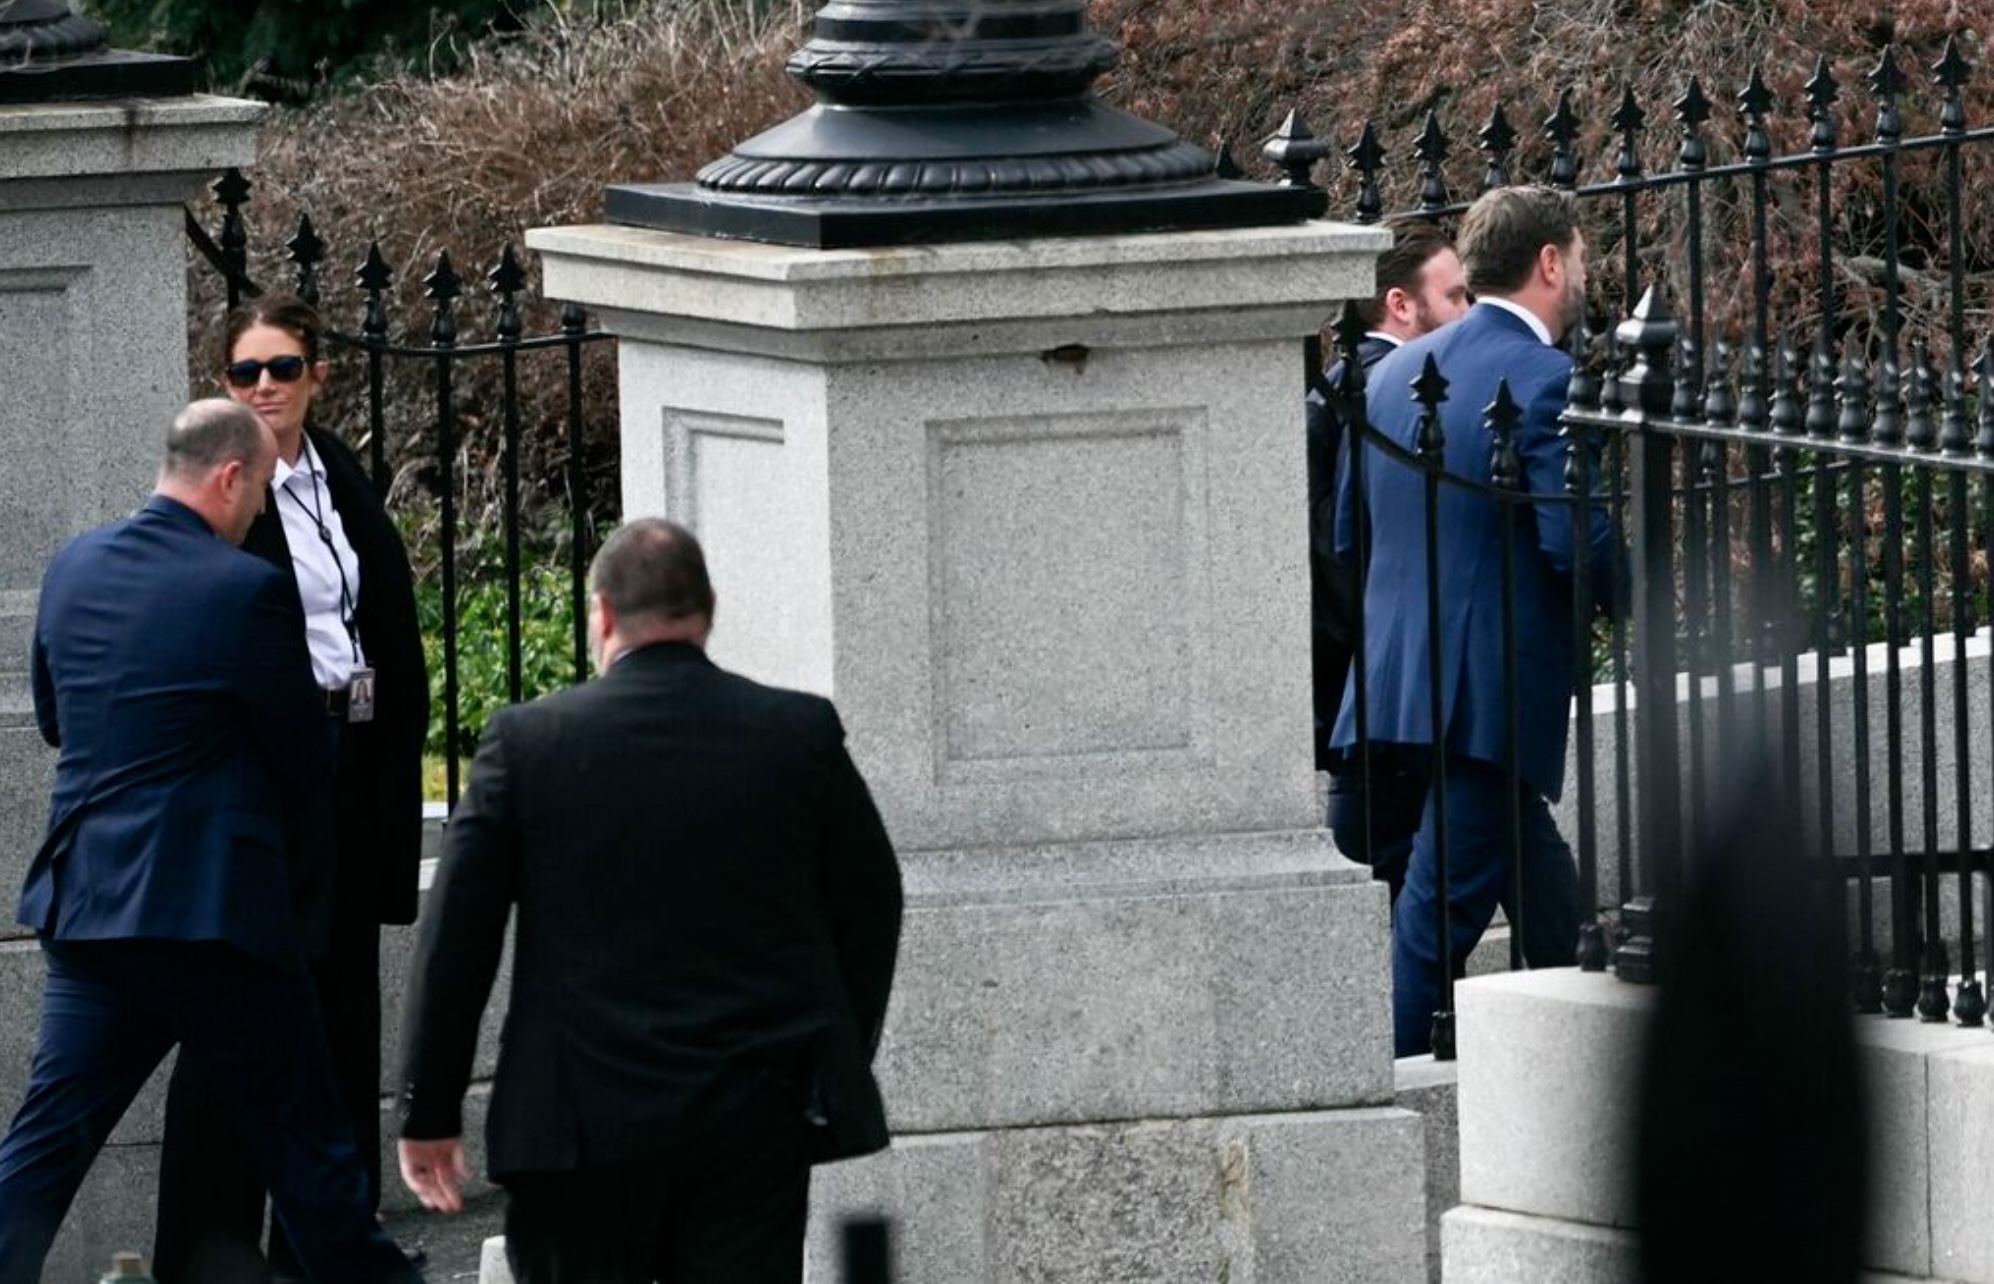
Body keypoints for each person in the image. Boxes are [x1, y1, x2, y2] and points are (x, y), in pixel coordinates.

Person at [396, 518, 903, 1284]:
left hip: (576, 1126)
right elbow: (872, 903)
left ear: (601, 614)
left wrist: (429, 1110)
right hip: (750, 1116)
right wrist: (825, 1057)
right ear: (708, 609)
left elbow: (456, 939)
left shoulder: (528, 744)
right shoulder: (794, 735)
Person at [0, 400, 421, 1284]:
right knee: (312, 1154)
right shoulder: (246, 590)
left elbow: (54, 719)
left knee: (43, 1149)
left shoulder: (74, 566)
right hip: (214, 917)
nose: (261, 508)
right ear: (229, 477)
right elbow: (303, 757)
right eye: (261, 489)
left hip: (89, 907)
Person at [155, 294, 428, 1281]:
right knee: (241, 1013)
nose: (264, 387)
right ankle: (210, 1253)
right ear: (223, 385)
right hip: (266, 775)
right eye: (245, 372)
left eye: (282, 368)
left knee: (342, 1013)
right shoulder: (222, 486)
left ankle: (331, 1251)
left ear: (317, 374)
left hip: (348, 766)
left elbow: (381, 611)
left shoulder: (334, 469)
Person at [1332, 186, 1623, 1057]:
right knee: (1442, 901)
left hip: (1398, 672)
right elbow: (1574, 538)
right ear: (1549, 263)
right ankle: (1396, 1067)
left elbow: (1350, 532)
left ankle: (1595, 1023)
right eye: (1579, 259)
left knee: (1527, 858)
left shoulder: (1391, 374)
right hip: (1487, 680)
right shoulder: (1544, 376)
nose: (1583, 277)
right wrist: (1632, 600)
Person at [1308, 223, 1470, 905]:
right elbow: (1345, 546)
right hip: (1381, 675)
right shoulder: (1386, 389)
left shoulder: (1353, 385)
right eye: (1456, 296)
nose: (1469, 312)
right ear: (1401, 304)